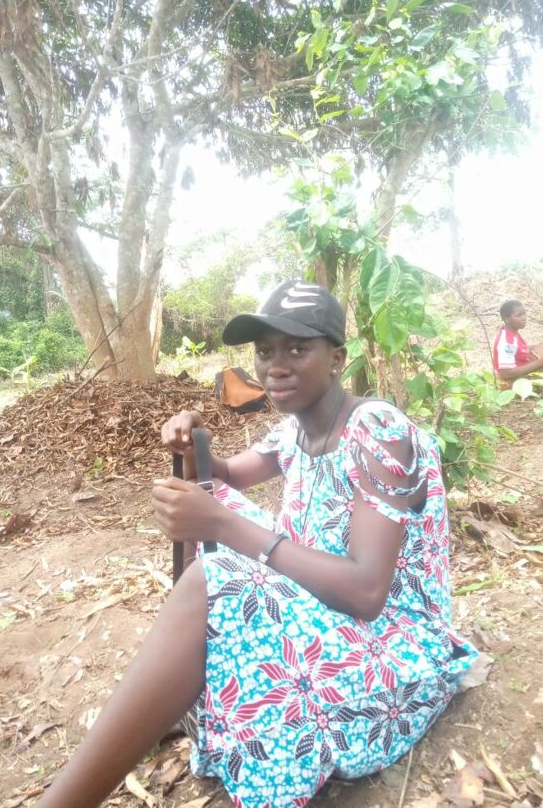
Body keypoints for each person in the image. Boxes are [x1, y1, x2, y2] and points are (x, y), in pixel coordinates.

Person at [36, 281, 477, 808]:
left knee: (214, 571)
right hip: (325, 609)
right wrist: (193, 442)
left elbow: (366, 593)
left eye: (298, 349)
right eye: (265, 351)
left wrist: (225, 526)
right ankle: (187, 688)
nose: (276, 366)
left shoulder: (378, 430)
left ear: (337, 358)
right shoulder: (295, 429)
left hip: (394, 647)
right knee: (211, 503)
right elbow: (224, 476)